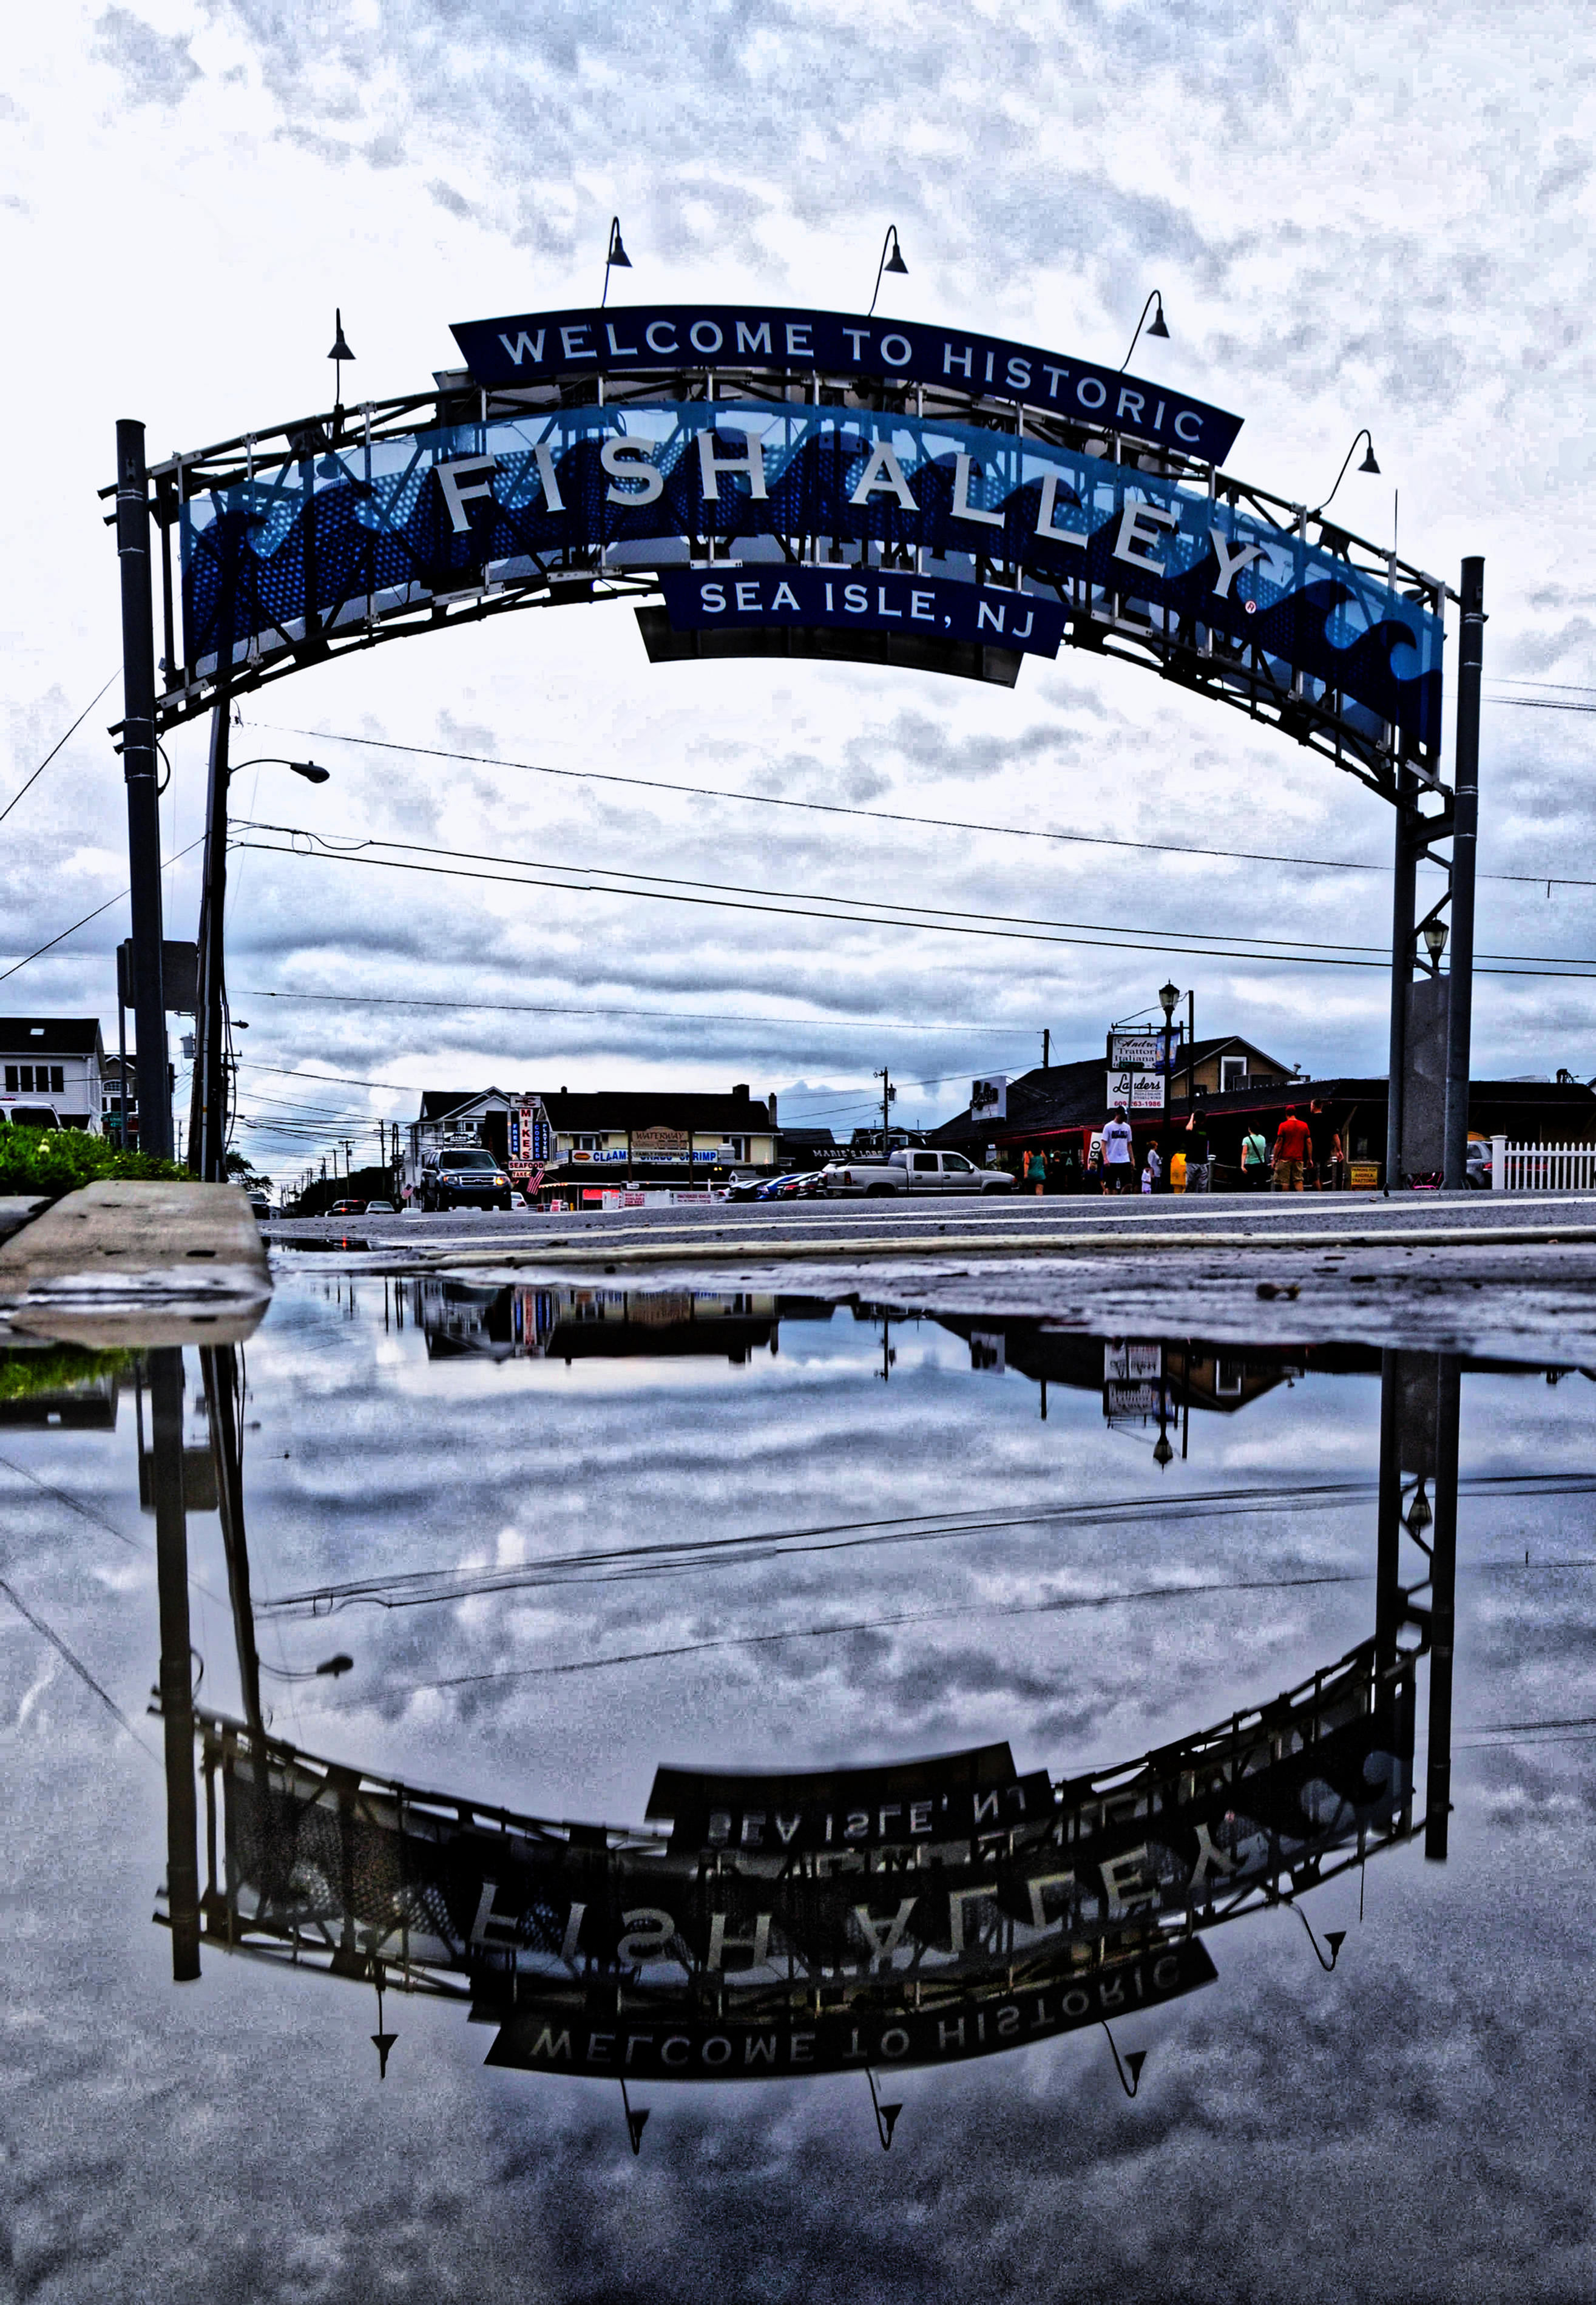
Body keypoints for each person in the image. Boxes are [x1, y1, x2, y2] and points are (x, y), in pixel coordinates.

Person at [1272, 1105, 1313, 1191]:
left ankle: (1286, 1198)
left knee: (1284, 1181)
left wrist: (1274, 1159)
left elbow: (1279, 1143)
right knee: (1298, 1180)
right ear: (1295, 1113)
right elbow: (1309, 1142)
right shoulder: (1304, 1125)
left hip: (1284, 1158)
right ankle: (1301, 1196)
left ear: (1286, 1114)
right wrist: (1310, 1159)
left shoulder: (1283, 1126)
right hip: (1299, 1158)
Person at [1101, 1106, 1135, 1193]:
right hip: (1112, 1159)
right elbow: (1103, 1143)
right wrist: (1105, 1158)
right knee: (1111, 1186)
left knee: (1128, 1184)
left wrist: (1132, 1159)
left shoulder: (1127, 1127)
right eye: (1122, 1116)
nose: (1123, 1118)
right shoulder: (1108, 1127)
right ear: (1117, 1114)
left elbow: (1129, 1144)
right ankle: (1113, 1199)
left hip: (1124, 1159)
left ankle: (1122, 1197)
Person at [1185, 1108, 1211, 1193]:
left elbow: (1188, 1129)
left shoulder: (1204, 1128)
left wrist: (1192, 1118)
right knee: (1192, 1184)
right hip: (1195, 1161)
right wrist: (1193, 1119)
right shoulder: (1194, 1128)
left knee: (1200, 1184)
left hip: (1199, 1161)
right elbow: (1189, 1129)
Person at [1240, 1125, 1270, 1190]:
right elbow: (1264, 1151)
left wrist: (1242, 1166)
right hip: (1261, 1164)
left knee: (1249, 1185)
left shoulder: (1246, 1140)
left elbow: (1244, 1153)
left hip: (1250, 1164)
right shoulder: (1263, 1138)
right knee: (1261, 1185)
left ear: (1249, 1129)